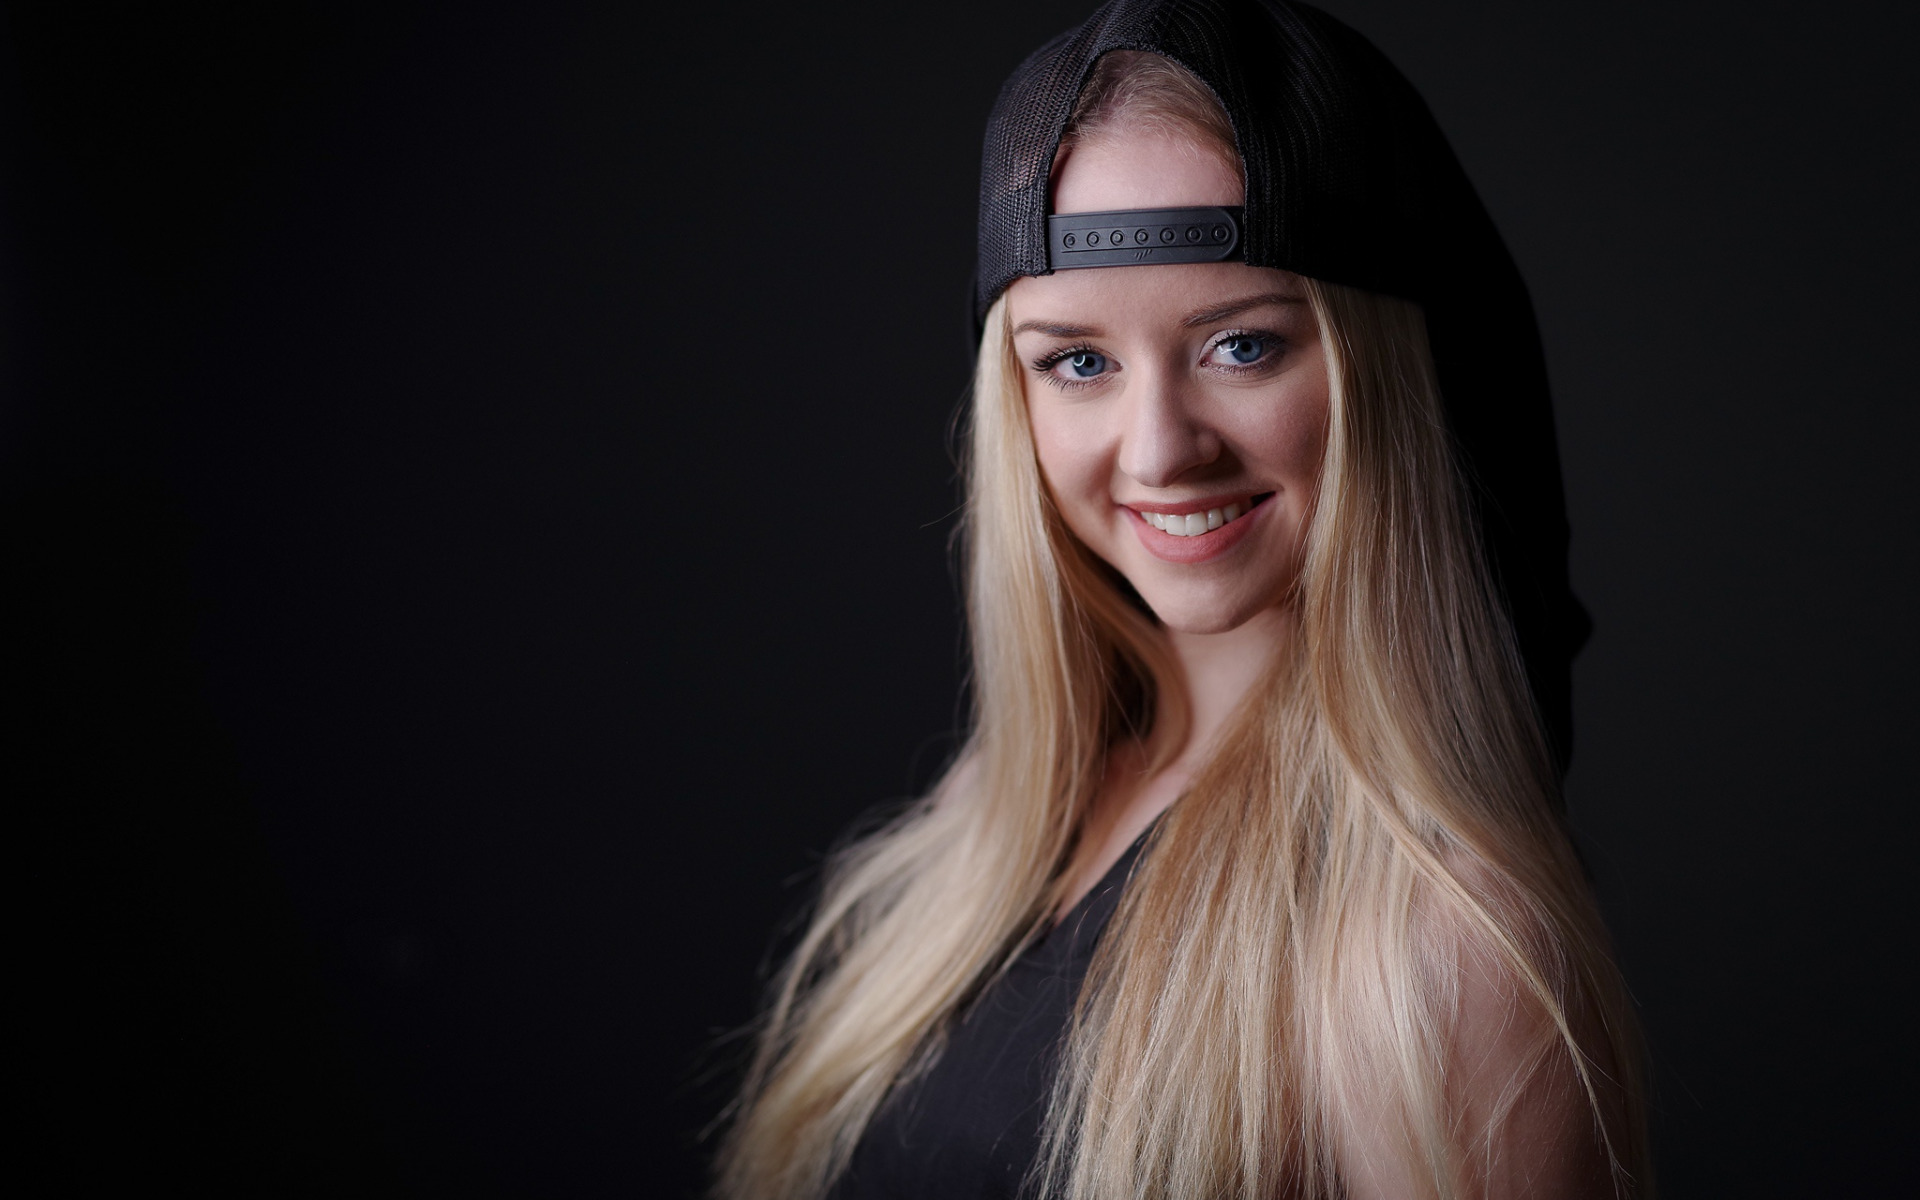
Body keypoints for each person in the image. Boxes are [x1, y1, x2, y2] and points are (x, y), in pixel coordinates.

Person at [715, 2, 1649, 1197]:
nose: (1158, 449)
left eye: (1241, 345)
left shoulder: (1445, 954)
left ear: (1383, 371)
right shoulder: (1002, 821)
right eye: (1079, 361)